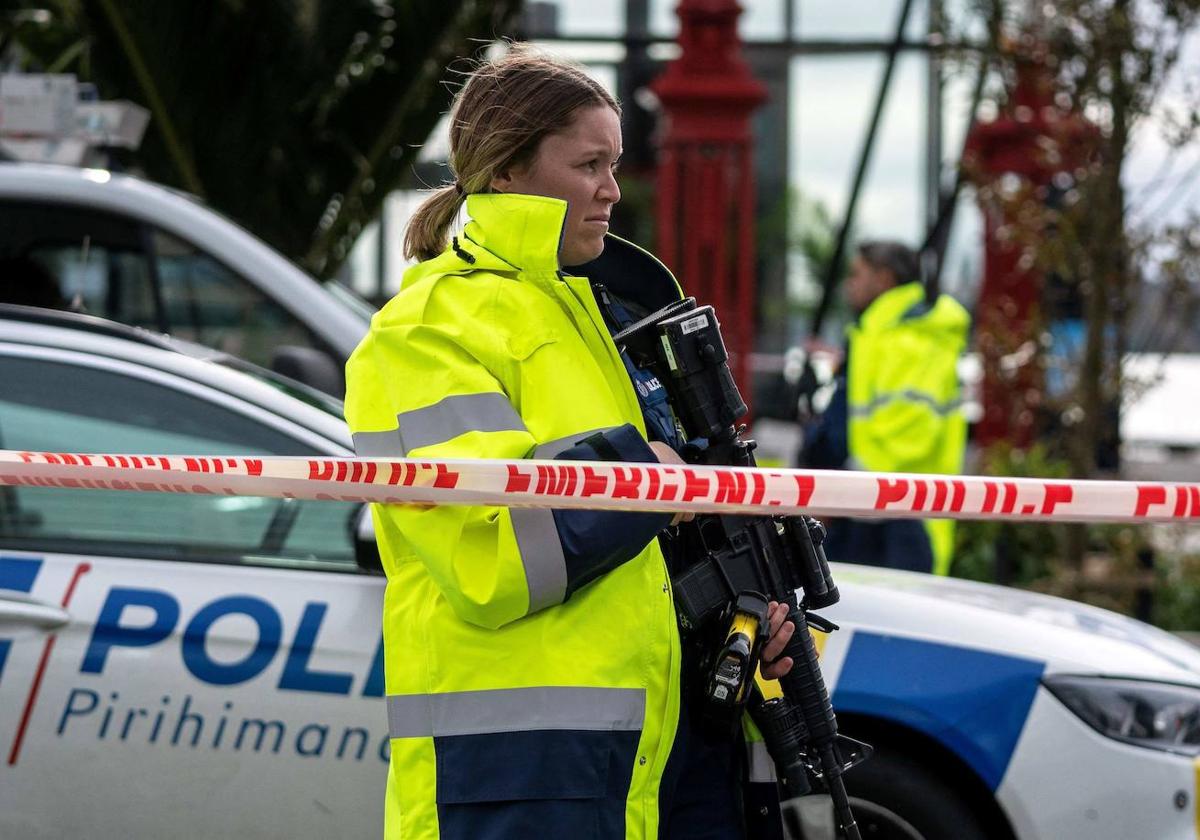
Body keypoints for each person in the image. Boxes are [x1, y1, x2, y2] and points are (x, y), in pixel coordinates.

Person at [343, 46, 795, 840]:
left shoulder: (598, 311)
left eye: (615, 164)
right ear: (509, 170)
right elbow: (489, 554)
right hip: (520, 764)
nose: (613, 191)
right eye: (589, 164)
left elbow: (665, 537)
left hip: (645, 746)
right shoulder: (425, 331)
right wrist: (644, 479)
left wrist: (743, 613)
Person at [797, 241, 970, 575]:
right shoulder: (881, 333)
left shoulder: (909, 339)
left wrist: (849, 478)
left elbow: (910, 434)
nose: (850, 284)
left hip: (898, 516)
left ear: (885, 278)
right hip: (873, 508)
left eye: (857, 274)